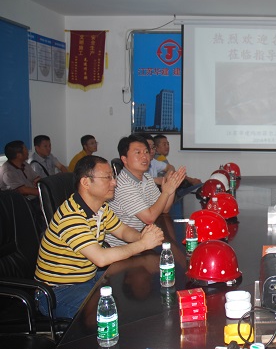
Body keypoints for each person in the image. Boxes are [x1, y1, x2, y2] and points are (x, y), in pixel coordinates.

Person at [34, 155, 164, 319]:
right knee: (109, 314)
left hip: (86, 279)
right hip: (56, 292)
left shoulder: (101, 208)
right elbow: (101, 258)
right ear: (86, 182)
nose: (114, 182)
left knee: (126, 291)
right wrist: (143, 244)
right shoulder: (71, 216)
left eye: (113, 177)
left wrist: (142, 236)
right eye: (107, 178)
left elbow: (122, 231)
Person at [105, 134, 186, 247]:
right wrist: (166, 192)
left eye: (146, 152)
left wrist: (172, 188)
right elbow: (149, 218)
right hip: (121, 247)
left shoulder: (146, 178)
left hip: (141, 240)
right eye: (138, 153)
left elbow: (164, 208)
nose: (144, 157)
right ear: (124, 159)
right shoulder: (123, 184)